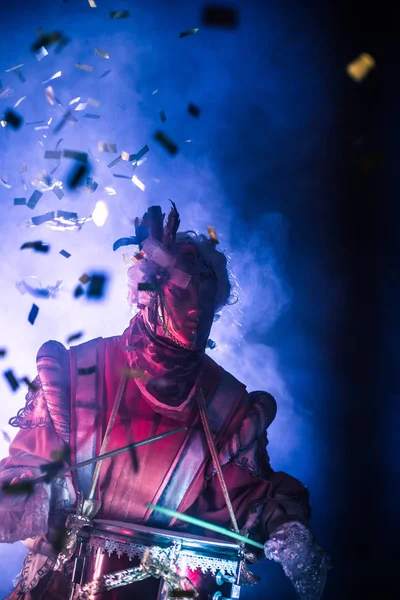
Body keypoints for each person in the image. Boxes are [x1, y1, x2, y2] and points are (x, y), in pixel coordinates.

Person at [0, 204, 329, 599]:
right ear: (148, 294)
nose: (193, 316)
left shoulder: (227, 405)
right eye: (181, 295)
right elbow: (27, 468)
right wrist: (36, 494)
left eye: (204, 301)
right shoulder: (80, 370)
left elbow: (247, 497)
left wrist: (287, 531)